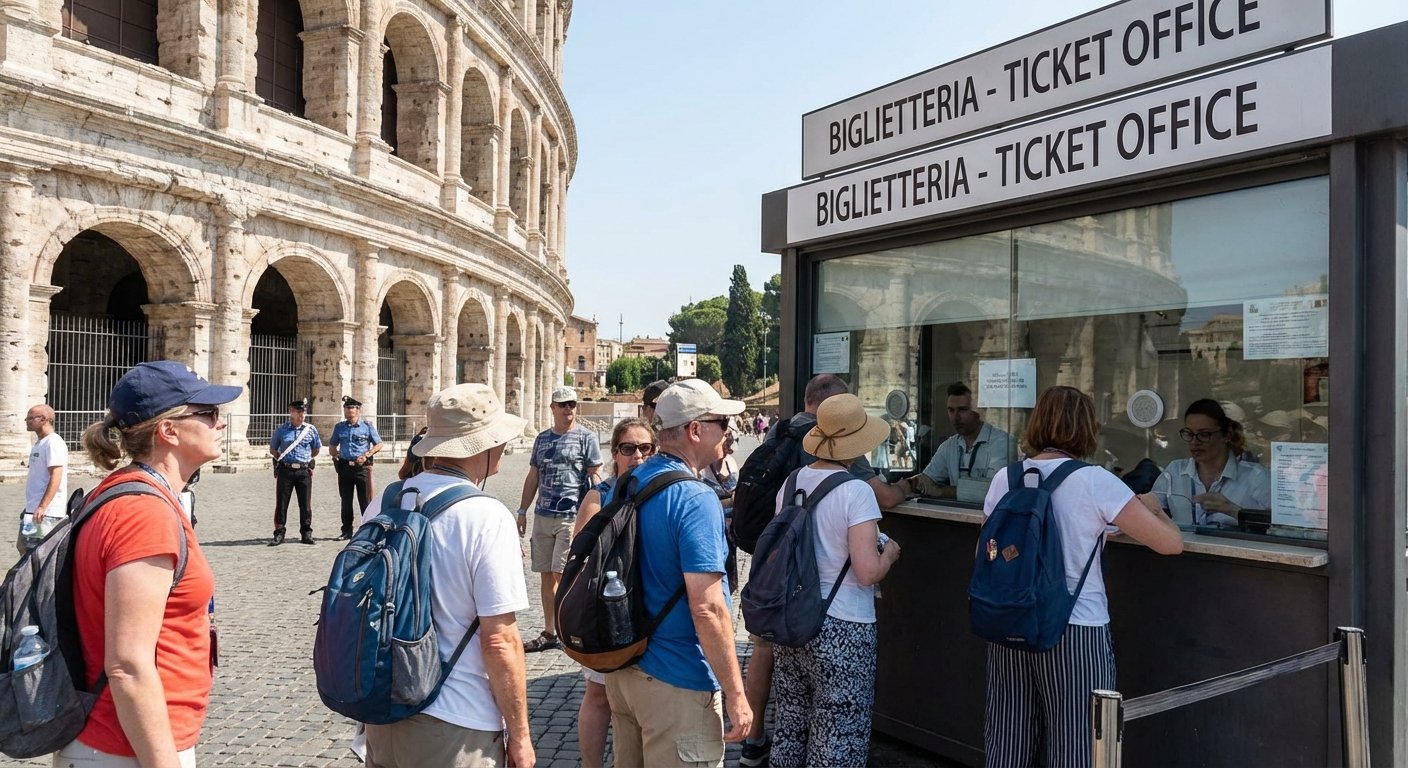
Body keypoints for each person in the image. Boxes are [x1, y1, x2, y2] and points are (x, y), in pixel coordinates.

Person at [982, 385, 1183, 768]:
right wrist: (1155, 508)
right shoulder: (1096, 482)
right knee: (1078, 745)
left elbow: (984, 551)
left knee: (1008, 740)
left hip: (1010, 621)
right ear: (1087, 428)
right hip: (1075, 628)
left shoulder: (1004, 479)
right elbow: (1170, 544)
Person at [66, 360, 240, 767]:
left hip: (125, 738)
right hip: (127, 747)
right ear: (169, 430)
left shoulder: (131, 494)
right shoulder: (144, 514)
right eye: (208, 412)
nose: (220, 423)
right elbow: (127, 665)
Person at [359, 383, 534, 768]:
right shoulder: (487, 517)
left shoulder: (384, 501)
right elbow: (501, 640)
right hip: (456, 722)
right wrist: (520, 736)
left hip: (384, 711)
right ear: (484, 446)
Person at [740, 373, 904, 767]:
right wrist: (891, 553)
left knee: (792, 728)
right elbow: (866, 572)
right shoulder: (856, 491)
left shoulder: (792, 482)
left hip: (795, 623)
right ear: (855, 442)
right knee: (839, 736)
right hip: (844, 626)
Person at [605, 378, 752, 768]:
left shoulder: (627, 482)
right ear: (695, 429)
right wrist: (736, 693)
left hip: (624, 669)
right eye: (722, 421)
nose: (729, 431)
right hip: (676, 679)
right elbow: (708, 608)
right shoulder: (696, 497)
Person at [572, 417, 656, 768]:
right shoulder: (600, 493)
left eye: (644, 448)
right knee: (599, 694)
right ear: (615, 453)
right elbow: (579, 553)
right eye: (628, 448)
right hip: (610, 605)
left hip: (649, 607)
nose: (636, 455)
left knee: (645, 696)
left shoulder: (660, 490)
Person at [516, 386, 602, 652]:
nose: (568, 410)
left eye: (572, 405)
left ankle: (569, 628)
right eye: (563, 405)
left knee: (562, 572)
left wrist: (596, 513)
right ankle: (550, 631)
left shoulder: (586, 438)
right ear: (552, 407)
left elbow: (596, 476)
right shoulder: (542, 439)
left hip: (571, 516)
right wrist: (522, 510)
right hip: (543, 515)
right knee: (545, 575)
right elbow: (533, 477)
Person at [1152, 399, 1272, 528]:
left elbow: (1282, 526)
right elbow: (1151, 512)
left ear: (1227, 435)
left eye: (1204, 434)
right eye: (1189, 434)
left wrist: (1234, 511)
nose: (1194, 442)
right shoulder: (1175, 471)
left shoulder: (1256, 477)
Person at [899, 381, 1012, 500]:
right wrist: (904, 486)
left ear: (978, 411)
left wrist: (942, 492)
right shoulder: (949, 446)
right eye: (951, 410)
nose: (956, 418)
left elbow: (995, 491)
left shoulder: (1003, 443)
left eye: (962, 410)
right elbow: (928, 479)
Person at [267, 398, 322, 546]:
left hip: (304, 471)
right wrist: (284, 459)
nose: (301, 415)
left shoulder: (311, 430)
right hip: (286, 470)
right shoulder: (281, 430)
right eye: (298, 412)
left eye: (303, 412)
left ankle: (306, 532)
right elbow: (273, 449)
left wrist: (305, 459)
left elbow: (316, 449)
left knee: (305, 504)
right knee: (282, 503)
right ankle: (279, 532)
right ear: (290, 412)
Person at [329, 395, 383, 539]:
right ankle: (346, 531)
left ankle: (368, 531)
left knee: (365, 501)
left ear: (358, 410)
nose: (348, 411)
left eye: (351, 408)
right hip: (345, 467)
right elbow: (333, 444)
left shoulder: (367, 426)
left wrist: (367, 454)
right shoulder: (339, 427)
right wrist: (334, 455)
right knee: (346, 501)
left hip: (362, 468)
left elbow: (379, 444)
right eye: (346, 408)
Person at [20, 403, 68, 555]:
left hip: (47, 513)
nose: (27, 420)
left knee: (36, 554)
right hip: (34, 510)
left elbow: (56, 475)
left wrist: (42, 507)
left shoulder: (53, 443)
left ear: (44, 419)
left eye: (30, 418)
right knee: (23, 547)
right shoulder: (40, 443)